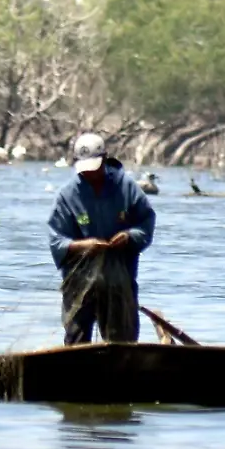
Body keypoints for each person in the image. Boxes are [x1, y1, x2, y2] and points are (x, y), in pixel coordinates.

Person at [48, 132, 155, 345]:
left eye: (94, 168)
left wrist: (129, 236)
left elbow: (146, 223)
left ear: (105, 160)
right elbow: (56, 240)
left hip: (119, 280)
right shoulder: (67, 195)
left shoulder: (126, 188)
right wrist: (82, 246)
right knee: (76, 342)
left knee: (121, 343)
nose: (89, 174)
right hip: (79, 282)